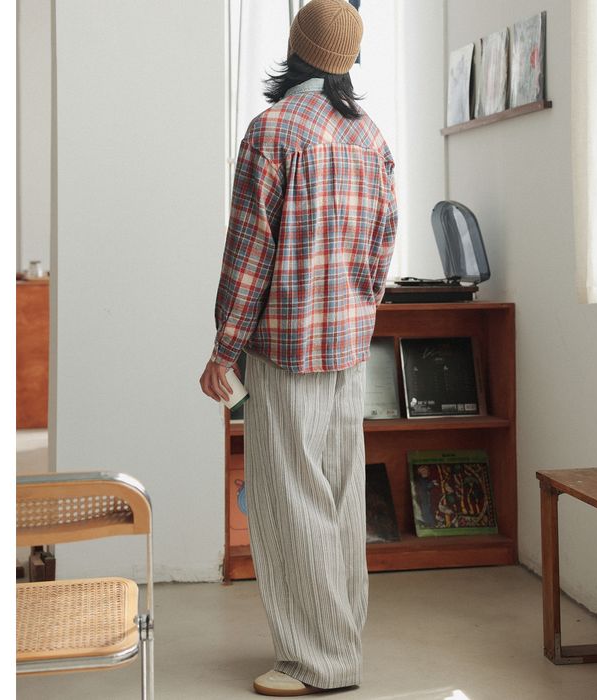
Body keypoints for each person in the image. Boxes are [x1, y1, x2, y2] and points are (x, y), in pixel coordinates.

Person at [199, 0, 397, 694]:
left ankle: (316, 663)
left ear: (296, 46)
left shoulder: (274, 131)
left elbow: (248, 255)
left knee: (289, 501)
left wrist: (224, 348)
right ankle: (339, 645)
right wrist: (358, 310)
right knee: (340, 498)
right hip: (349, 347)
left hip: (286, 347)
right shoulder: (370, 135)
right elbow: (383, 247)